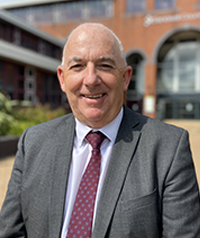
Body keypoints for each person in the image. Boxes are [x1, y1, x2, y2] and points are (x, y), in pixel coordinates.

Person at [0, 23, 200, 238]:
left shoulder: (168, 147)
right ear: (62, 78)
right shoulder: (33, 142)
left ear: (125, 78)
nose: (91, 79)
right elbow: (10, 232)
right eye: (77, 66)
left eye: (104, 66)